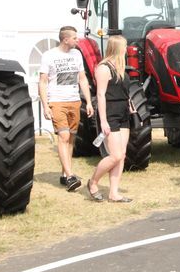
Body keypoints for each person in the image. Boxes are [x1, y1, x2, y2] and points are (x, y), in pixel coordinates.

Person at [38, 25, 94, 192]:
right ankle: (70, 176)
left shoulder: (77, 54)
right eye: (75, 38)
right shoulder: (49, 56)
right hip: (57, 101)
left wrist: (89, 102)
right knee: (63, 136)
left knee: (71, 139)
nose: (77, 40)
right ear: (65, 39)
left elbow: (82, 79)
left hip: (74, 101)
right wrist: (45, 105)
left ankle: (64, 173)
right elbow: (42, 81)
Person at [86, 35, 134, 203]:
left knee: (122, 154)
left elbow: (122, 90)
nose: (127, 49)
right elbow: (100, 95)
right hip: (110, 114)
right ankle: (93, 182)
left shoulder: (121, 67)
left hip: (123, 113)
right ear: (117, 48)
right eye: (125, 46)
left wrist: (129, 103)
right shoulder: (103, 68)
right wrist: (104, 120)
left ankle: (114, 193)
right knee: (115, 155)